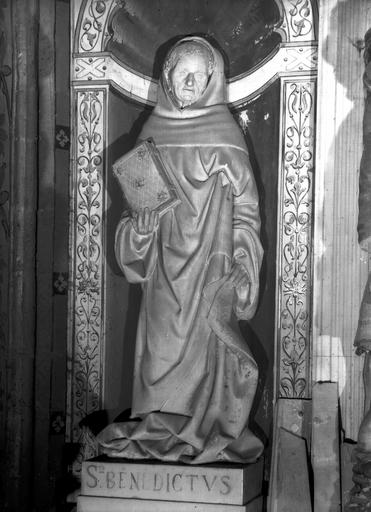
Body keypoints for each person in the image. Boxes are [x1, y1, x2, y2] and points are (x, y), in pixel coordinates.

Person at [97, 36, 264, 464]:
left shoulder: (226, 136)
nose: (189, 82)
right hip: (162, 280)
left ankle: (201, 429)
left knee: (208, 362)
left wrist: (243, 263)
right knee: (157, 356)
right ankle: (158, 428)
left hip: (210, 275)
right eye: (181, 73)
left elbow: (246, 214)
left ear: (212, 80)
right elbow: (134, 214)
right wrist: (140, 230)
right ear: (167, 78)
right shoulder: (150, 134)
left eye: (198, 75)